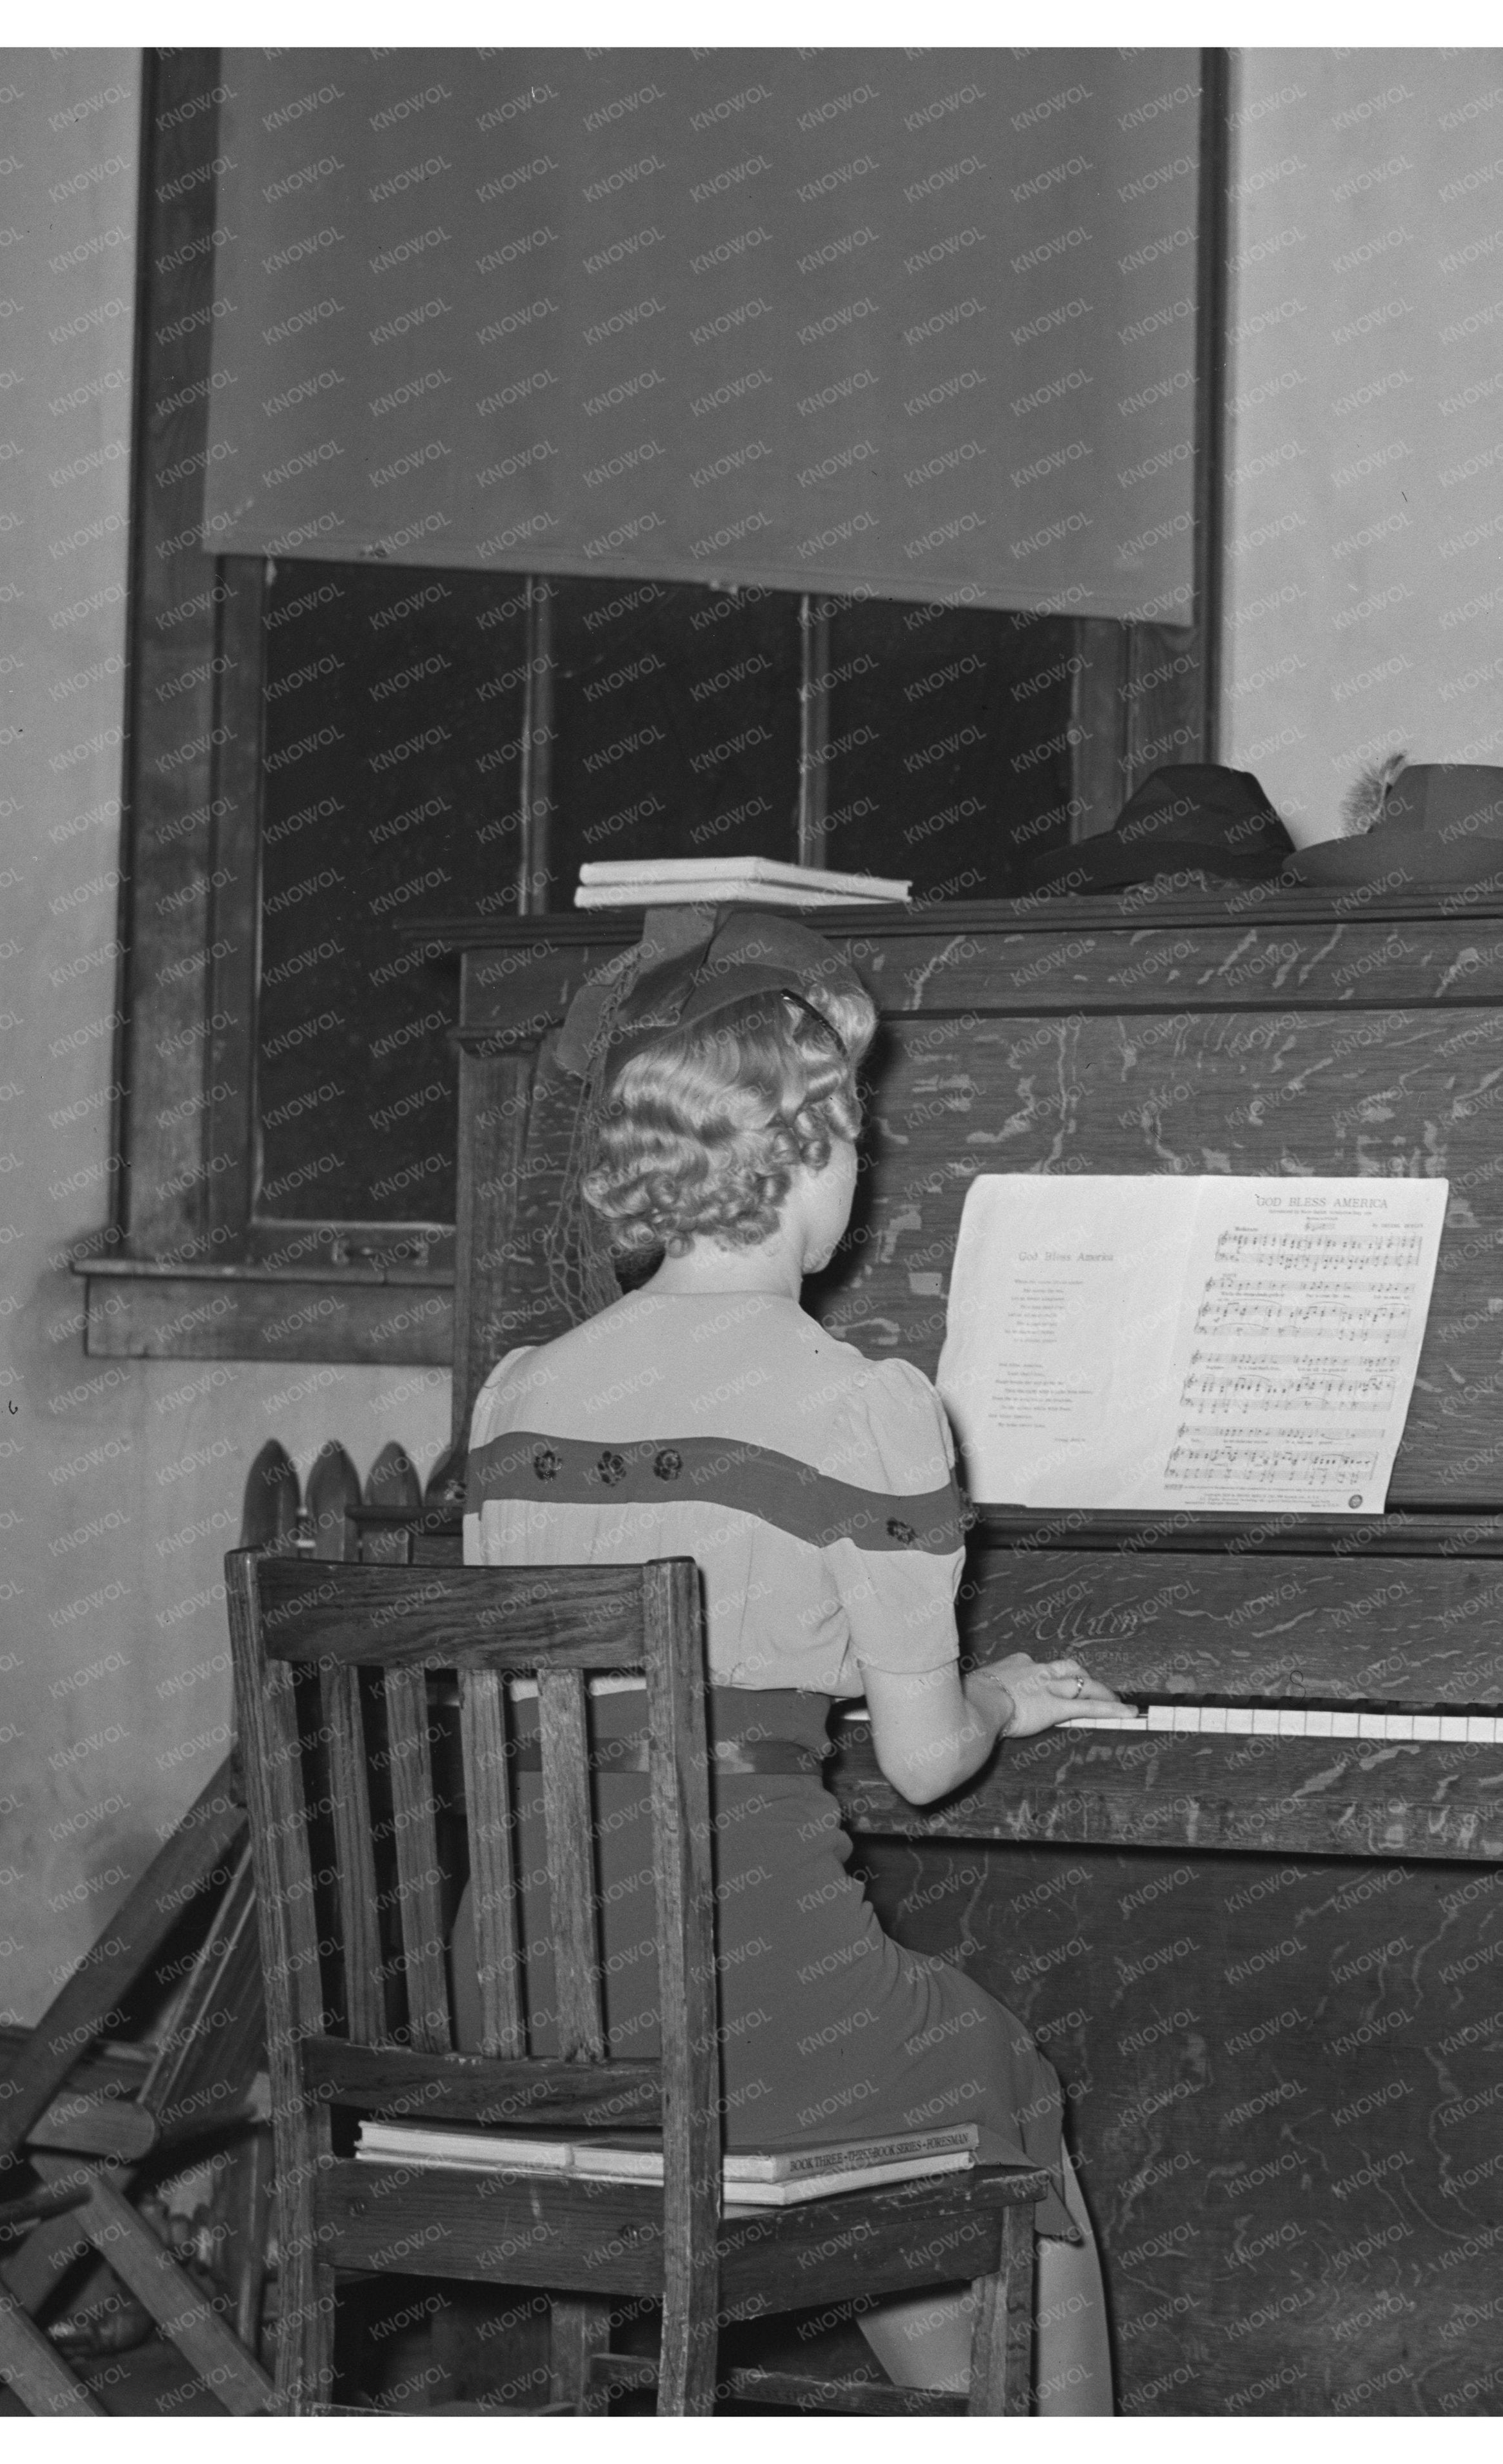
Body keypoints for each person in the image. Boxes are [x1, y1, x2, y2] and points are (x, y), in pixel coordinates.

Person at [457, 911, 1119, 2411]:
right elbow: (925, 1766)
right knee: (997, 2086)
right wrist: (1010, 1690)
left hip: (506, 1997)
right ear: (815, 1155)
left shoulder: (515, 1398)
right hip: (737, 2004)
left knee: (908, 2090)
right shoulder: (863, 1410)